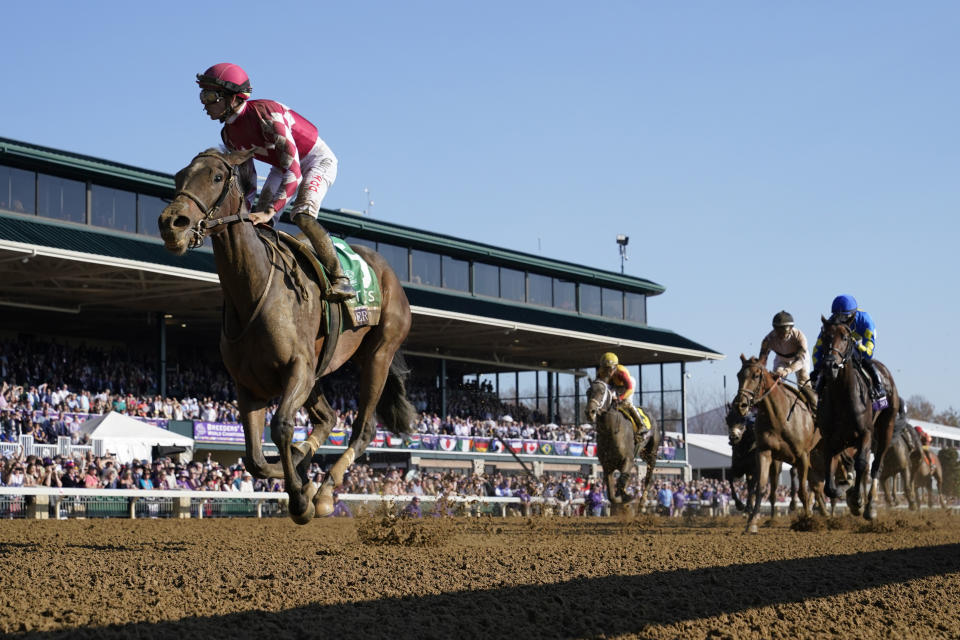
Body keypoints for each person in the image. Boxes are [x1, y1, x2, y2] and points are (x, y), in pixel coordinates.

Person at [195, 62, 355, 301]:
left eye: (209, 96)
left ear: (233, 97)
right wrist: (245, 214)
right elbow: (247, 183)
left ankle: (339, 278)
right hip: (282, 166)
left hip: (314, 161)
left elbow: (295, 171)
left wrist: (270, 210)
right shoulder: (228, 135)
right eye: (202, 95)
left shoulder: (266, 114)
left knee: (301, 214)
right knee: (257, 226)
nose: (204, 104)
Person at [811, 295, 886, 407]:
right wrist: (817, 367)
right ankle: (817, 400)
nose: (840, 320)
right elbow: (818, 347)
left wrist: (858, 345)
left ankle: (878, 388)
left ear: (852, 315)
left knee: (865, 360)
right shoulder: (832, 321)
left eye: (844, 318)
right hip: (840, 347)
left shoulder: (865, 320)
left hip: (859, 346)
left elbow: (869, 352)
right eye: (837, 316)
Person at [758, 310, 817, 409]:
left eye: (783, 330)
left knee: (803, 384)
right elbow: (762, 359)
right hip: (781, 359)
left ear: (790, 328)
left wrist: (786, 371)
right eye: (777, 330)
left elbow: (800, 361)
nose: (780, 334)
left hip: (800, 361)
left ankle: (814, 409)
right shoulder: (768, 339)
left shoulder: (799, 337)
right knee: (775, 381)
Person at [596, 352, 651, 453]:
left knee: (627, 403)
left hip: (627, 385)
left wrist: (620, 398)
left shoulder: (621, 372)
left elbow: (629, 388)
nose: (608, 372)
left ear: (615, 367)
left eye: (610, 369)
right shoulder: (601, 372)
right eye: (605, 368)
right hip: (614, 386)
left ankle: (641, 424)